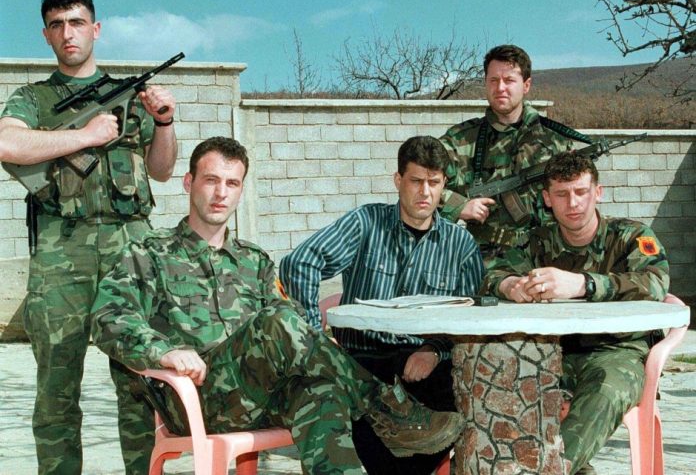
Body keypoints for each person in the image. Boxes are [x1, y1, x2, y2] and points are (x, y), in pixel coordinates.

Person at [90, 136, 466, 475]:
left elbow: (290, 329)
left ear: (241, 191)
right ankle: (390, 407)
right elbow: (107, 318)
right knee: (278, 320)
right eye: (211, 180)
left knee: (322, 391)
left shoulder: (254, 261)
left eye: (232, 183)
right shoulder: (149, 253)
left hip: (259, 397)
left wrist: (317, 347)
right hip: (194, 398)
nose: (221, 193)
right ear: (189, 183)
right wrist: (164, 350)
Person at [0, 0, 177, 474]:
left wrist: (164, 122)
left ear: (95, 29)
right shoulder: (34, 98)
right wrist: (84, 136)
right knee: (57, 389)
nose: (68, 33)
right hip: (62, 251)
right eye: (57, 25)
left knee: (141, 383)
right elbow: (7, 143)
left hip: (132, 248)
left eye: (76, 22)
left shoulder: (131, 95)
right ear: (46, 35)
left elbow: (162, 170)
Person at [279, 135, 484, 474]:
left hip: (423, 364)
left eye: (434, 183)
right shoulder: (366, 223)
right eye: (415, 181)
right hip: (362, 362)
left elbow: (471, 316)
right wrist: (315, 339)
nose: (425, 192)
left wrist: (434, 350)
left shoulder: (460, 244)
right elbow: (299, 264)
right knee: (343, 416)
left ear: (444, 185)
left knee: (463, 400)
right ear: (398, 180)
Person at [481, 151, 669, 475]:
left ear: (598, 192)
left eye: (581, 192)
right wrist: (510, 285)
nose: (573, 203)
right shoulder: (536, 242)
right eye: (562, 194)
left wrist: (583, 284)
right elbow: (491, 274)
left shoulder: (631, 236)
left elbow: (655, 282)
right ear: (547, 199)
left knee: (605, 391)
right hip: (554, 352)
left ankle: (549, 471)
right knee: (496, 381)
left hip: (618, 352)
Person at [439, 44, 579, 262]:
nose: (500, 87)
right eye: (493, 80)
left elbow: (580, 198)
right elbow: (417, 182)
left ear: (526, 85)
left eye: (509, 80)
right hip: (485, 261)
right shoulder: (460, 140)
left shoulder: (556, 141)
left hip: (550, 258)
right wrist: (458, 205)